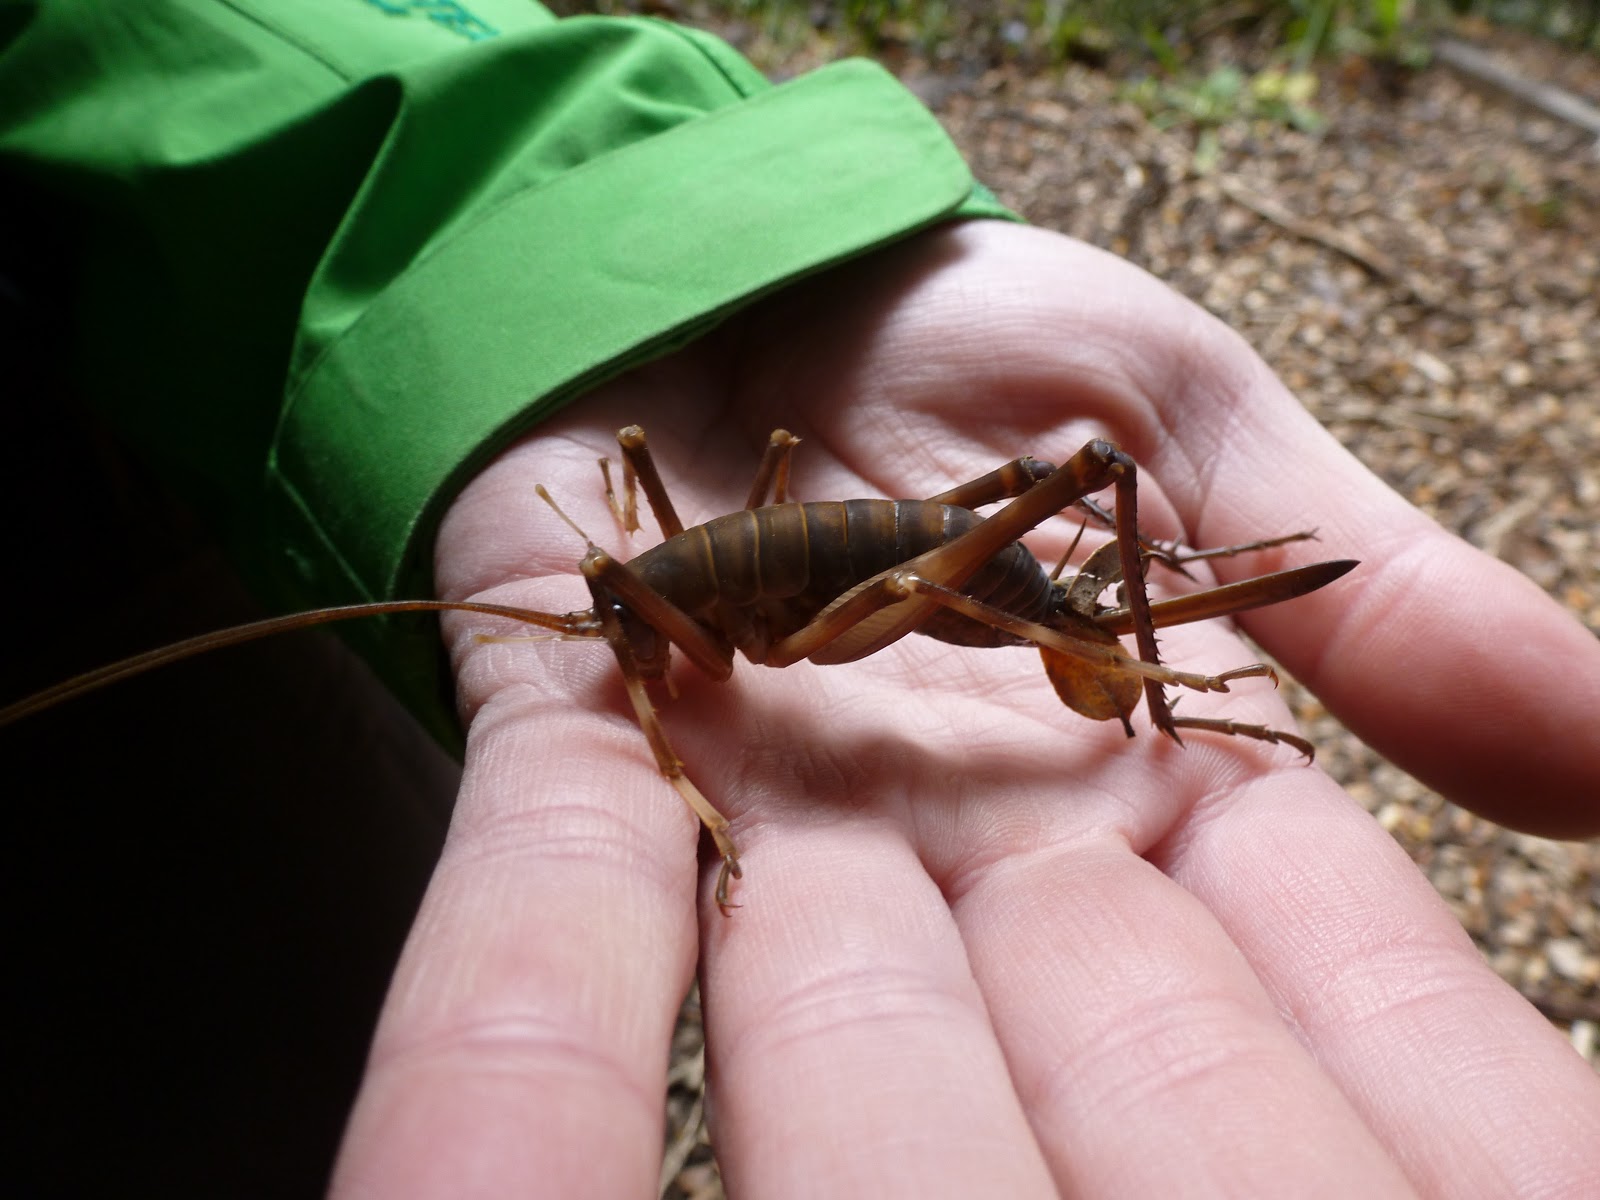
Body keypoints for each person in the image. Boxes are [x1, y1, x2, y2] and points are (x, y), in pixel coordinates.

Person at [3, 4, 1597, 1198]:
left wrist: (701, 764)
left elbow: (712, 608)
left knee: (991, 523)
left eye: (620, 623)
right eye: (623, 626)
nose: (625, 651)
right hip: (840, 567)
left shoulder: (680, 600)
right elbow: (666, 588)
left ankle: (1150, 677)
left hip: (914, 575)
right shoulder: (646, 580)